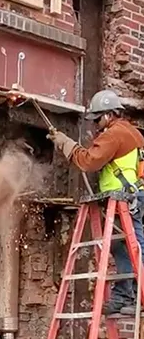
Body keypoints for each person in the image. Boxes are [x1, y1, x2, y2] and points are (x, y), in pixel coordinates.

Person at [48, 89, 144, 315]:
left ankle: (137, 296)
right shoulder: (132, 132)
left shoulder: (114, 133)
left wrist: (65, 143)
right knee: (124, 247)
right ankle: (125, 296)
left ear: (109, 115)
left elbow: (89, 161)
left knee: (135, 247)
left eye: (97, 119)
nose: (95, 125)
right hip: (131, 198)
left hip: (125, 198)